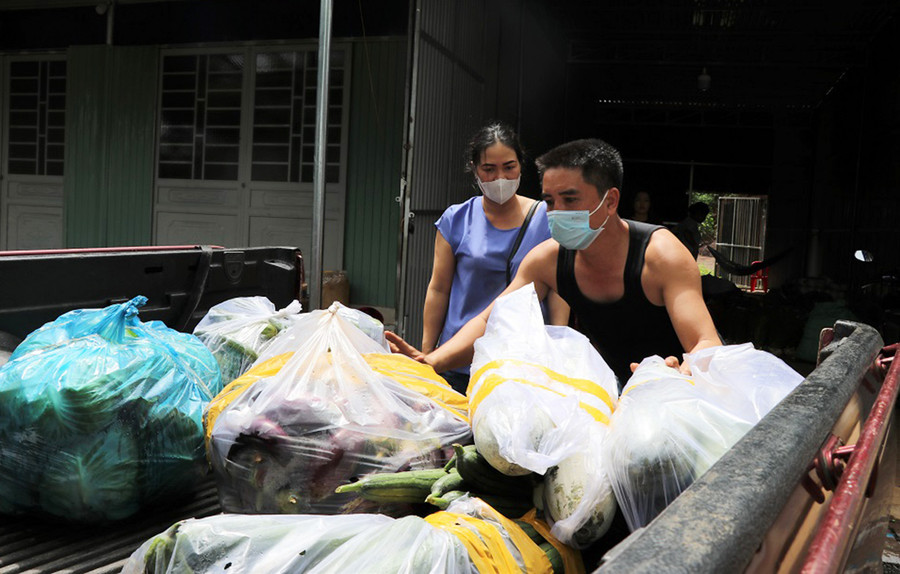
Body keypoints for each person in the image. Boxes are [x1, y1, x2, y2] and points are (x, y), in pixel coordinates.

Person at [388, 138, 721, 387]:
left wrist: (688, 369)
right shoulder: (548, 259)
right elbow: (492, 321)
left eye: (570, 199)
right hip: (605, 392)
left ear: (611, 201)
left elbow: (706, 342)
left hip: (675, 392)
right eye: (549, 201)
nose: (556, 211)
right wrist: (432, 360)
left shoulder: (661, 255)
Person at [421, 122, 569, 393]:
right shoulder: (456, 220)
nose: (500, 177)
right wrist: (427, 355)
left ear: (521, 166)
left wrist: (559, 346)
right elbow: (439, 288)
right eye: (489, 169)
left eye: (509, 167)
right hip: (459, 362)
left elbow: (558, 291)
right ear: (475, 169)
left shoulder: (547, 220)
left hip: (523, 365)